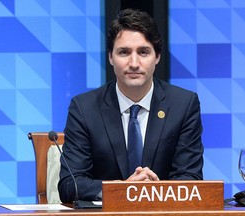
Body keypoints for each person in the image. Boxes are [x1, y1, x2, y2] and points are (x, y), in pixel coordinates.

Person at [58, 8, 204, 203]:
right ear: (111, 57)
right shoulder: (84, 108)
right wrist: (123, 190)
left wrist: (151, 192)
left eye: (143, 52)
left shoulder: (183, 104)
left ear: (157, 57)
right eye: (124, 52)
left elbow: (191, 178)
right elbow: (70, 184)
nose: (134, 63)